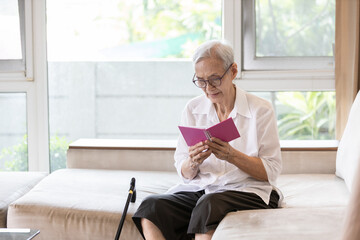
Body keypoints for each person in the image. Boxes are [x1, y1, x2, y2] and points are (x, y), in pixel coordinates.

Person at [132, 40, 283, 240]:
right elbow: (184, 172)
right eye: (201, 81)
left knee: (208, 204)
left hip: (248, 191)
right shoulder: (193, 109)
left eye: (214, 79)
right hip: (204, 189)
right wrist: (193, 161)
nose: (208, 88)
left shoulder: (260, 110)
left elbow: (271, 172)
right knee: (151, 206)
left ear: (233, 71)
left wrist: (232, 155)